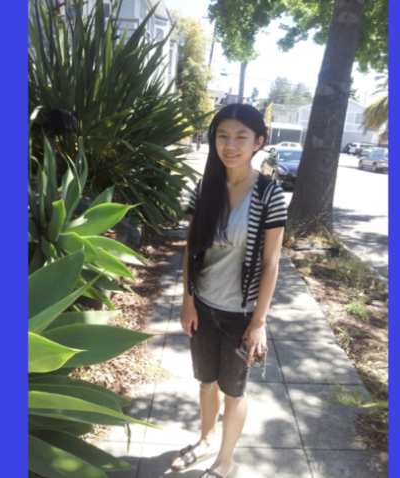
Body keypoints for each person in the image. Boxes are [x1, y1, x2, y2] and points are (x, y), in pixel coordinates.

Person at [170, 103, 287, 478]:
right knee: (206, 381)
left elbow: (271, 263)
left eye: (240, 136)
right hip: (203, 307)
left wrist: (259, 322)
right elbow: (191, 249)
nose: (230, 145)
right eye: (222, 136)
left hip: (242, 315)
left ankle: (226, 461)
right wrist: (188, 302)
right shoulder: (205, 187)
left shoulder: (269, 194)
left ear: (259, 141)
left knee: (234, 390)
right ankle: (205, 440)